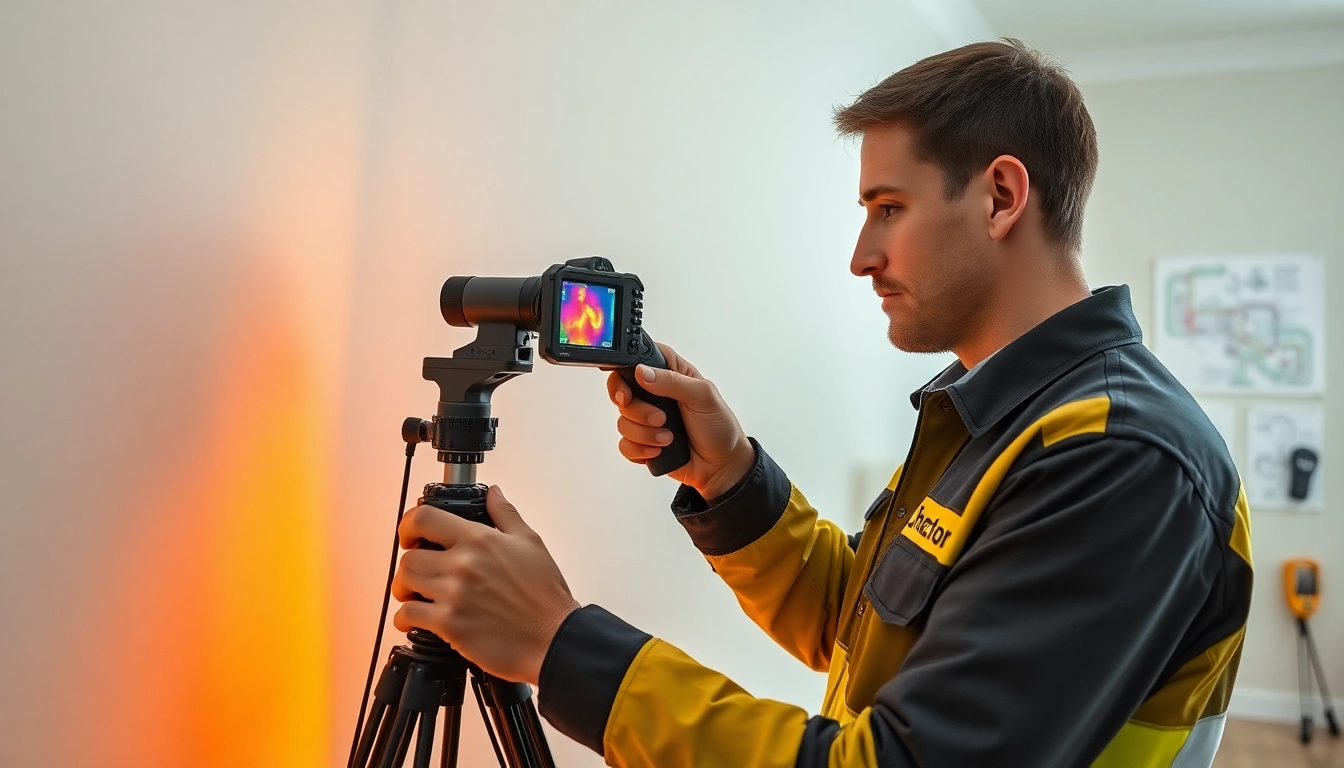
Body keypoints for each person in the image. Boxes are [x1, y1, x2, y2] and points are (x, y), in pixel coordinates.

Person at [391, 39, 1253, 767]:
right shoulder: (995, 412)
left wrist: (558, 643)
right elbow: (865, 627)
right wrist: (729, 481)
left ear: (1000, 196)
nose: (861, 255)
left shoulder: (1119, 457)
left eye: (888, 208)